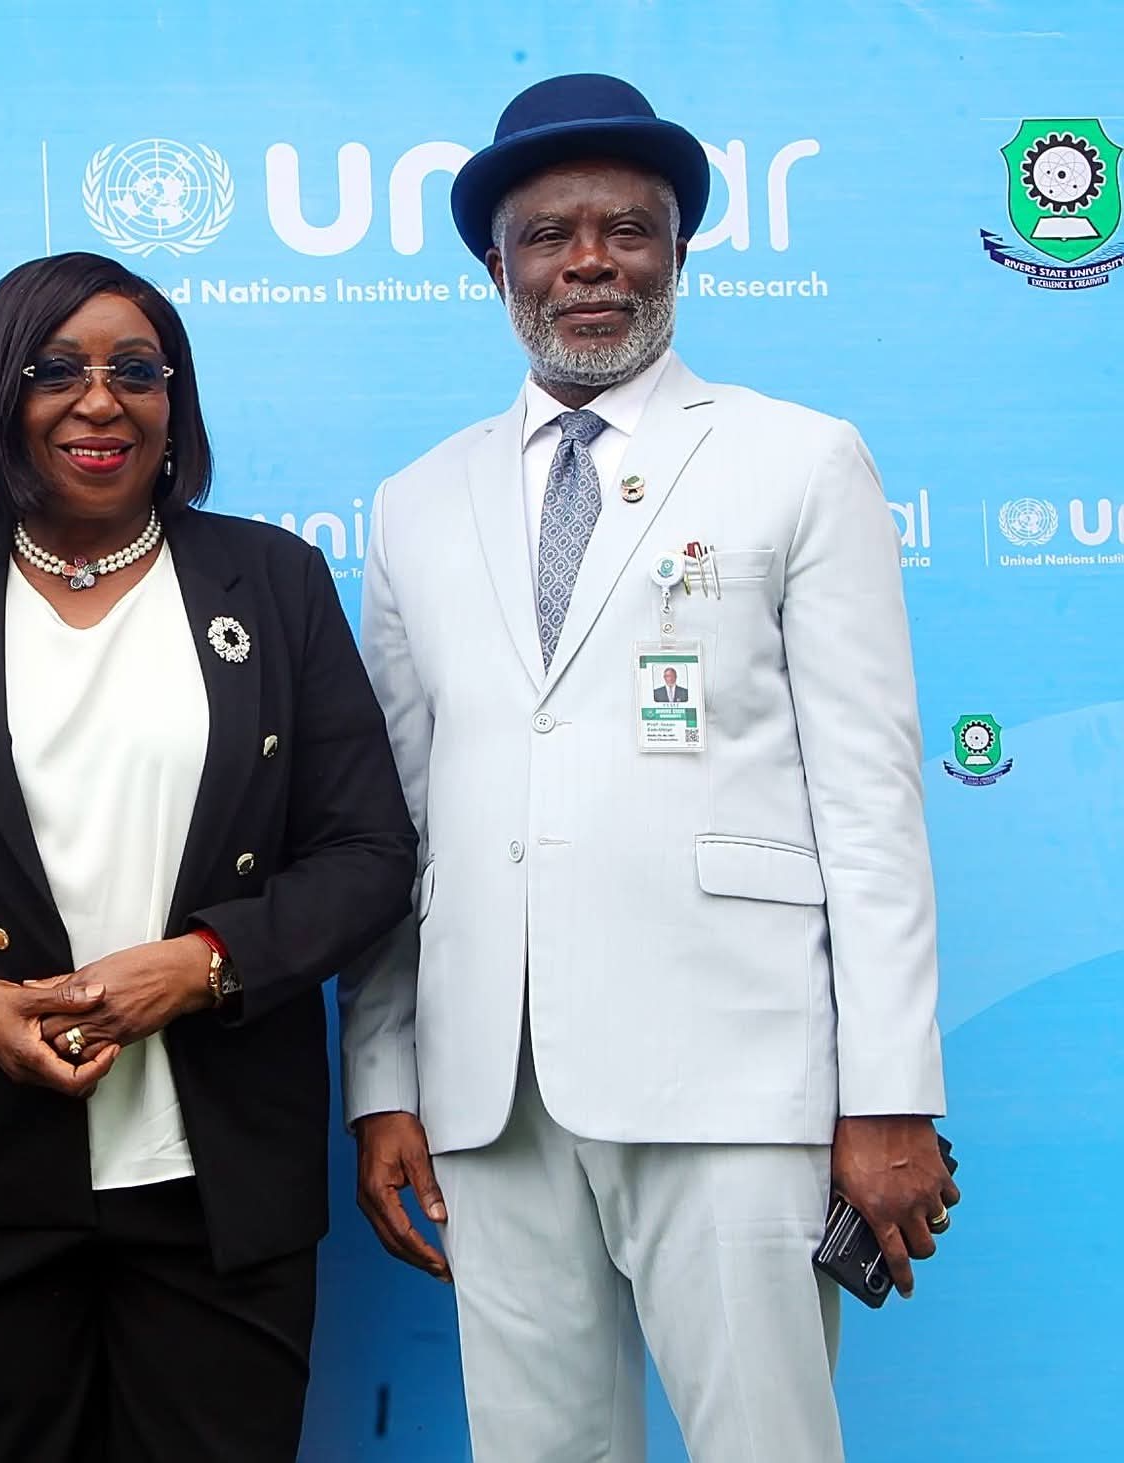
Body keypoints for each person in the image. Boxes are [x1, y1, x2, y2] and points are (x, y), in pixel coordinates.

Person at [340, 75, 957, 1462]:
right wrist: (384, 1080)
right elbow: (401, 824)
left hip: (735, 1074)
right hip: (491, 1088)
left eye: (628, 229)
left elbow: (869, 800)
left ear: (678, 252)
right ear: (494, 266)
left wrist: (888, 1092)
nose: (590, 262)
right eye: (549, 235)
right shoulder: (415, 501)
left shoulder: (798, 458)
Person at [0, 251, 417, 1462]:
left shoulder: (271, 578)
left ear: (174, 398)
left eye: (136, 369)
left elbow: (369, 848)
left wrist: (204, 964)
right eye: (53, 369)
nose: (99, 400)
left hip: (221, 1164)